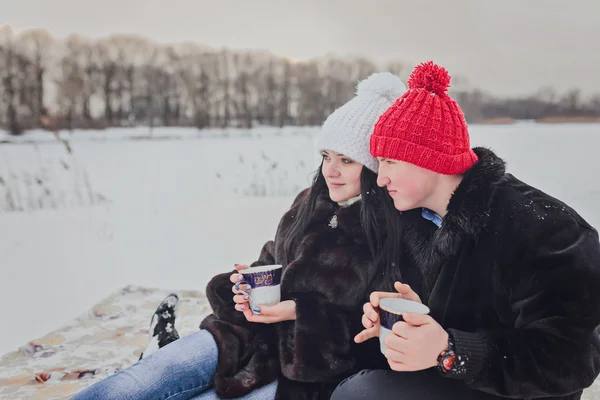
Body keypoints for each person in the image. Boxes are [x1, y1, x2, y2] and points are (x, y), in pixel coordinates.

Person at [72, 72, 434, 400]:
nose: (330, 171)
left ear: (375, 167)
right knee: (139, 382)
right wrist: (248, 285)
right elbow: (273, 257)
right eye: (326, 156)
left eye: (347, 160)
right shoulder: (310, 201)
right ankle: (161, 350)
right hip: (244, 336)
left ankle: (164, 346)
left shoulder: (397, 230)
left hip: (305, 375)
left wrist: (300, 313)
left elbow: (375, 338)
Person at [331, 61, 600, 400]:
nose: (380, 178)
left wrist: (451, 351)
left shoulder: (544, 228)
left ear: (430, 160)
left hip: (520, 395)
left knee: (360, 393)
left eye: (390, 162)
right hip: (460, 383)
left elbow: (573, 359)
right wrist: (415, 316)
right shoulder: (419, 219)